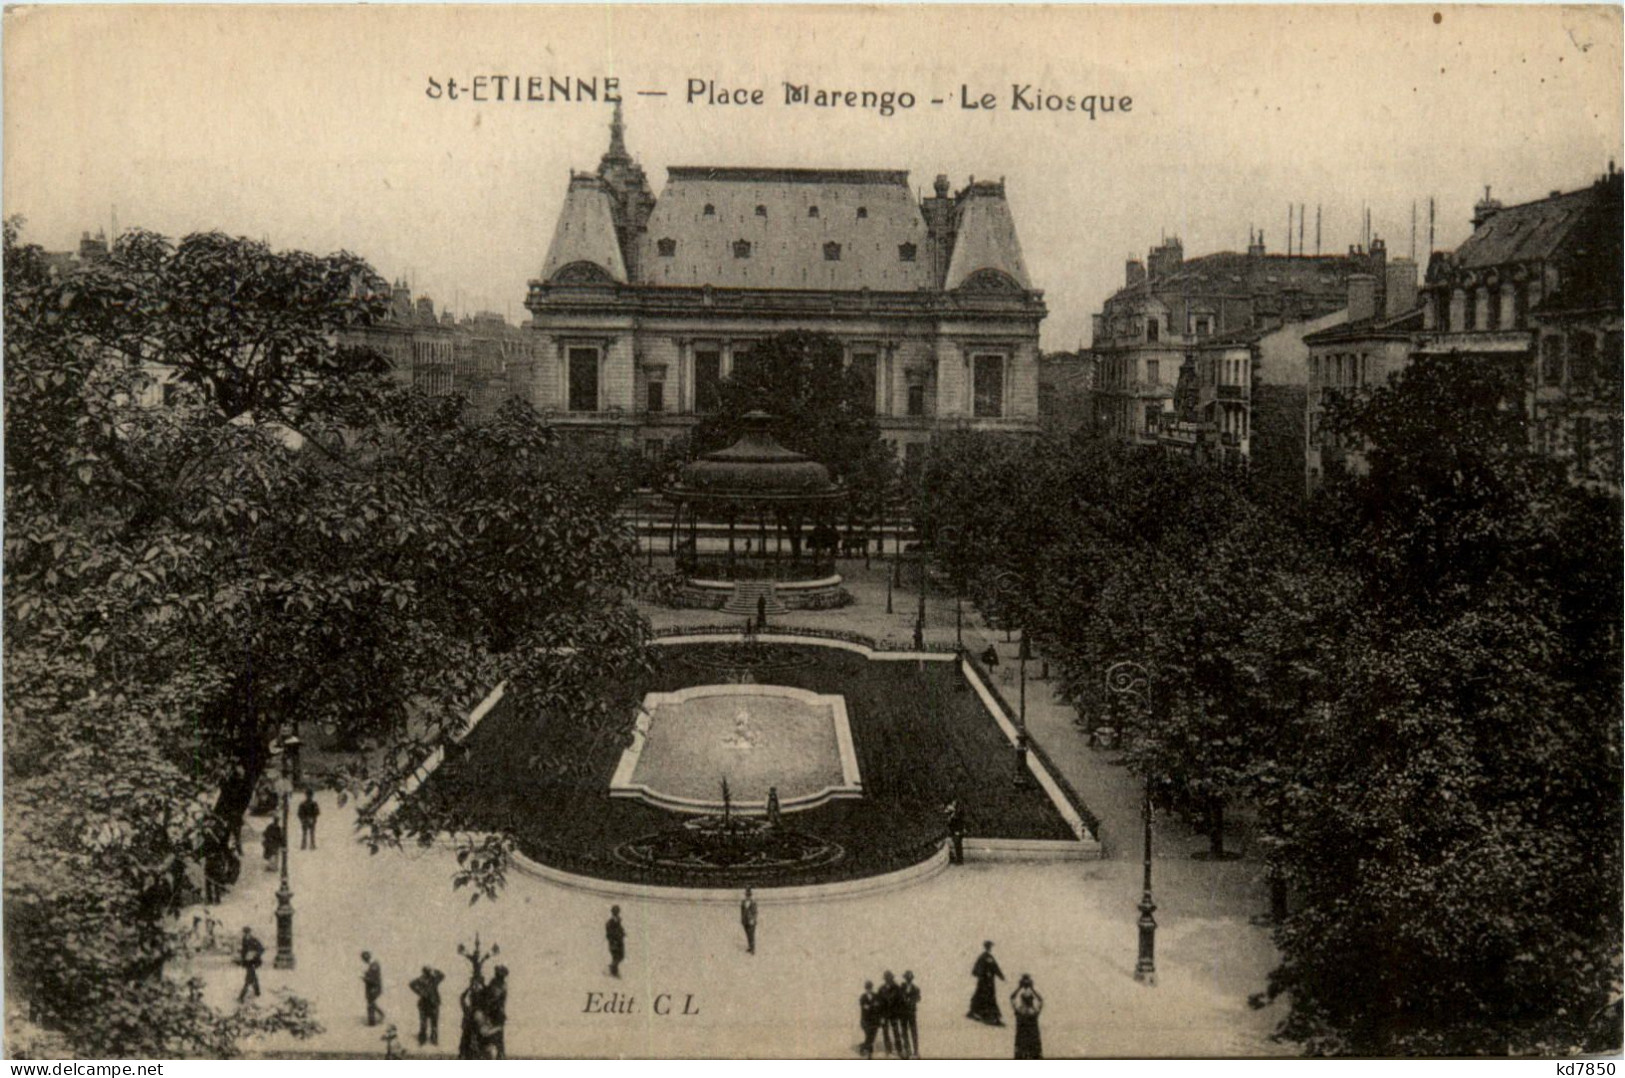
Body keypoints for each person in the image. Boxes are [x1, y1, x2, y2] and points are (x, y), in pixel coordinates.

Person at [967, 940, 1005, 1025]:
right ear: (986, 947)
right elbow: (975, 970)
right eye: (989, 946)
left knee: (988, 997)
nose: (990, 948)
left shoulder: (990, 957)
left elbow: (995, 968)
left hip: (989, 982)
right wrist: (984, 974)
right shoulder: (983, 957)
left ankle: (989, 1016)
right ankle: (982, 1015)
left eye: (990, 947)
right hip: (984, 982)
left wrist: (1001, 976)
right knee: (983, 996)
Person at [409, 965, 444, 1046]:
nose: (429, 972)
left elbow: (442, 976)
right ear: (424, 972)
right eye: (428, 971)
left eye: (429, 971)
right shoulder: (421, 979)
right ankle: (422, 1039)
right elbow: (411, 984)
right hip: (424, 1004)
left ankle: (434, 1039)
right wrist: (420, 992)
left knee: (434, 1023)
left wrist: (436, 970)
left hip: (434, 1003)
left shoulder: (434, 979)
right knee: (423, 1023)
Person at [1010, 974, 1044, 1059]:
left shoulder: (1020, 1010)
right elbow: (1040, 1000)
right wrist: (1032, 988)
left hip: (1021, 1040)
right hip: (1033, 1040)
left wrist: (1019, 987)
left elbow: (1012, 998)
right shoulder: (1034, 1011)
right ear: (1032, 1000)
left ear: (1022, 1000)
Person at [482, 966, 509, 1059]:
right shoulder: (495, 982)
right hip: (493, 1013)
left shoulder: (500, 985)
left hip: (496, 1014)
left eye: (498, 972)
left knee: (495, 1039)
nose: (496, 973)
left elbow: (493, 996)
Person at [876, 971, 901, 1057]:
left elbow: (900, 1002)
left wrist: (898, 1013)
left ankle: (899, 1049)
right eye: (887, 979)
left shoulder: (897, 988)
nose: (889, 980)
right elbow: (878, 1003)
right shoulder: (881, 989)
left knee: (896, 1031)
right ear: (885, 979)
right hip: (884, 1014)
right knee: (885, 1032)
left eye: (890, 978)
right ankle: (888, 1049)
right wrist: (880, 1016)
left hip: (894, 1014)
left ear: (892, 979)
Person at [237, 926, 264, 1002]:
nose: (245, 935)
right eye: (244, 933)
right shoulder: (244, 940)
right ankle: (257, 993)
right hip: (248, 962)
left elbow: (261, 949)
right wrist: (243, 959)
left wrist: (254, 954)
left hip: (254, 962)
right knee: (253, 978)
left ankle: (241, 997)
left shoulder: (254, 940)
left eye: (246, 933)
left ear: (249, 933)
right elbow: (243, 952)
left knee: (248, 979)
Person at [901, 970, 922, 1058]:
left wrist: (911, 1000)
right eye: (907, 978)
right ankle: (907, 1050)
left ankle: (916, 1051)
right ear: (905, 979)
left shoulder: (916, 988)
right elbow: (898, 998)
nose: (908, 980)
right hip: (903, 1013)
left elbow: (918, 998)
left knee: (914, 1031)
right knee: (904, 1032)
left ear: (912, 979)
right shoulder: (901, 988)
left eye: (909, 978)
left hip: (912, 1013)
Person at [858, 980, 882, 1059]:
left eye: (870, 987)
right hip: (866, 1021)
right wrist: (873, 1005)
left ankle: (863, 1047)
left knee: (872, 1037)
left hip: (875, 1020)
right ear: (865, 988)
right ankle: (869, 1053)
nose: (869, 989)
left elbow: (878, 1006)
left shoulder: (876, 995)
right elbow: (866, 1007)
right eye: (868, 988)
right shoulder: (862, 997)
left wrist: (873, 1006)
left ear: (872, 988)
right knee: (869, 1036)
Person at [362, 950, 384, 1026]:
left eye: (364, 958)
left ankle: (372, 1022)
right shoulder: (372, 965)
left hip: (374, 988)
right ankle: (380, 1015)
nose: (364, 960)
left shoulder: (374, 965)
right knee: (371, 1004)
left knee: (370, 1005)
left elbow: (374, 979)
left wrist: (365, 978)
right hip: (372, 988)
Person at [605, 905, 626, 977]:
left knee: (620, 956)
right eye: (616, 911)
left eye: (617, 911)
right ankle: (613, 971)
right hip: (614, 942)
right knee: (616, 957)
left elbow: (620, 929)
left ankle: (613, 970)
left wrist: (623, 933)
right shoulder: (610, 922)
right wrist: (613, 940)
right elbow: (609, 933)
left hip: (619, 941)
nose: (617, 913)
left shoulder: (618, 920)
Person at [945, 801, 966, 865]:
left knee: (958, 845)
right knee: (957, 845)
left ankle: (960, 860)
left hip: (957, 831)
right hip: (955, 831)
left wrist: (959, 831)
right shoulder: (953, 814)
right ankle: (959, 859)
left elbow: (958, 823)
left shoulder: (957, 815)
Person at [739, 888, 759, 954]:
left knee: (752, 935)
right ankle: (750, 947)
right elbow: (742, 911)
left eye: (749, 895)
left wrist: (753, 919)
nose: (748, 896)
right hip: (745, 920)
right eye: (747, 895)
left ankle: (753, 949)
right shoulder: (743, 902)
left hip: (751, 921)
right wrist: (742, 919)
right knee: (747, 934)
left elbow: (755, 912)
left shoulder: (753, 902)